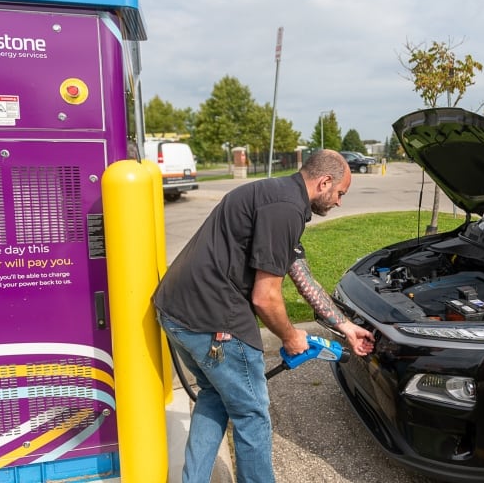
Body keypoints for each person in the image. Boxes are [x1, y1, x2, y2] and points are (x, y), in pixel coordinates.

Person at [153, 149, 375, 483]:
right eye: (340, 193)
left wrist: (344, 326)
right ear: (325, 181)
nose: (340, 202)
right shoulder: (286, 209)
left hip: (175, 311)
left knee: (214, 395)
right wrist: (291, 336)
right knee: (252, 416)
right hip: (213, 321)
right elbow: (265, 297)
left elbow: (301, 275)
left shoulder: (277, 194)